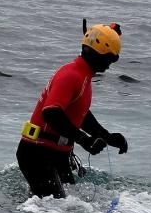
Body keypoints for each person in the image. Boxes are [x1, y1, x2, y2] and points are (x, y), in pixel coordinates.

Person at [16, 22, 128, 198]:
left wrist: (107, 136)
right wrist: (85, 140)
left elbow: (80, 114)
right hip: (37, 153)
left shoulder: (83, 77)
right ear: (96, 54)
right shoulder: (71, 75)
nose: (109, 66)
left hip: (57, 154)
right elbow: (51, 112)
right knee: (55, 212)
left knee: (67, 209)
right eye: (108, 59)